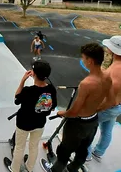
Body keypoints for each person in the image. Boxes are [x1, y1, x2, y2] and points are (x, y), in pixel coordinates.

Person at [40, 43, 113, 172]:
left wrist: (63, 113)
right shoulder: (108, 78)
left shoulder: (86, 84)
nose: (82, 60)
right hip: (93, 121)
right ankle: (72, 169)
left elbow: (74, 111)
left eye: (83, 58)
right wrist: (95, 109)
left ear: (90, 61)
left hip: (78, 124)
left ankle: (55, 170)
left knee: (64, 151)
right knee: (83, 150)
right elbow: (109, 101)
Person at [5, 61, 57, 172]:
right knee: (34, 146)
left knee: (19, 147)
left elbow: (16, 100)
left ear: (34, 74)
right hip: (40, 123)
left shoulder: (28, 91)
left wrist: (22, 81)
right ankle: (29, 168)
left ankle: (14, 169)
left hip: (24, 123)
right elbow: (53, 107)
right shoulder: (51, 89)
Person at [86, 36, 121, 162]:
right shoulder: (116, 66)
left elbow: (112, 91)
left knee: (87, 129)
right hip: (117, 106)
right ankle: (99, 152)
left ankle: (86, 155)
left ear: (113, 50)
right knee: (107, 130)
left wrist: (97, 107)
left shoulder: (117, 68)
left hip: (108, 106)